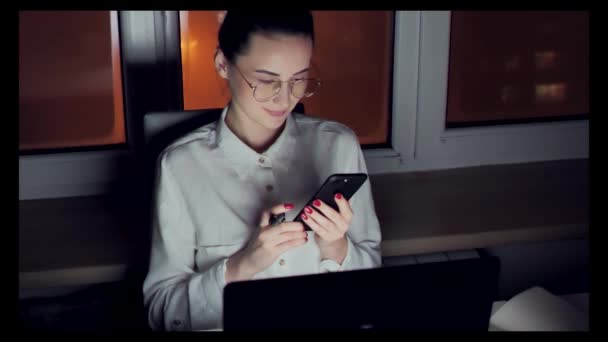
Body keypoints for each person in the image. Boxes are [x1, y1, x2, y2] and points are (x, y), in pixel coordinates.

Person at [143, 10, 382, 331]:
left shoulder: (339, 145)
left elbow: (373, 292)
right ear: (222, 64)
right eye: (267, 81)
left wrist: (336, 248)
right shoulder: (179, 166)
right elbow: (163, 315)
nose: (285, 98)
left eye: (299, 78)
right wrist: (241, 267)